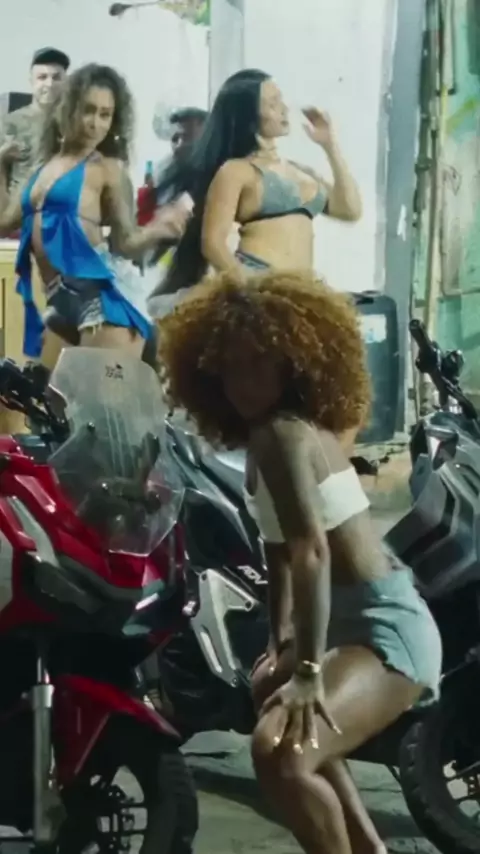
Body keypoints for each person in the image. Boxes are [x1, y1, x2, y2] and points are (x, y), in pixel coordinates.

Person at [157, 269, 443, 854]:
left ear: (292, 363)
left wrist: (310, 670)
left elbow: (311, 549)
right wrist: (279, 635)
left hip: (385, 629)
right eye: (230, 367)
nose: (244, 381)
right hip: (347, 621)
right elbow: (277, 546)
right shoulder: (264, 437)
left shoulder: (286, 436)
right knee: (273, 694)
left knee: (280, 753)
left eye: (259, 363)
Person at [0, 63, 189, 363]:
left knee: (101, 394)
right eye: (88, 110)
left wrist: (158, 229)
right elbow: (3, 222)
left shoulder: (108, 169)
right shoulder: (42, 168)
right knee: (41, 392)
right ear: (67, 108)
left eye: (105, 114)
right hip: (59, 301)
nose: (95, 123)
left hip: (99, 302)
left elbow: (125, 243)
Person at [152, 68, 361, 299]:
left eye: (280, 100)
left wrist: (329, 145)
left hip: (302, 292)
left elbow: (350, 210)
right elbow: (212, 243)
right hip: (259, 285)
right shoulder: (236, 171)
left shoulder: (301, 171)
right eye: (272, 104)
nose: (284, 109)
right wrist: (250, 291)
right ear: (250, 116)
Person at [0, 47, 70, 193]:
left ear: (66, 82)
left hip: (61, 204)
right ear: (31, 81)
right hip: (18, 204)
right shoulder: (10, 123)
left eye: (56, 78)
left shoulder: (75, 123)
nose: (49, 84)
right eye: (42, 77)